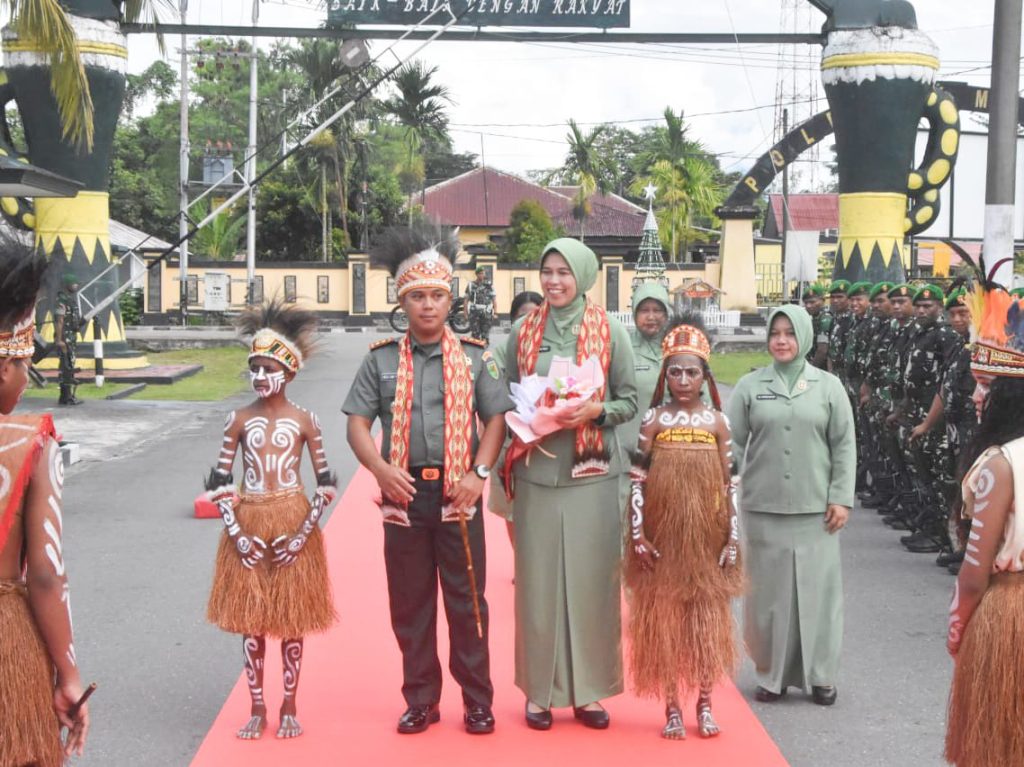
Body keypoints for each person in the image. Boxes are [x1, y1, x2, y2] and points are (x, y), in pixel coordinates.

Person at [344, 224, 511, 736]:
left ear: (449, 299)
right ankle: (421, 700)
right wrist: (381, 470)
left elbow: (496, 421)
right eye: (417, 296)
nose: (428, 305)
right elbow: (357, 424)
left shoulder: (477, 356)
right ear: (402, 302)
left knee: (468, 602)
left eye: (437, 295)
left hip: (458, 493)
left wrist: (479, 474)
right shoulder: (380, 360)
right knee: (410, 604)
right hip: (405, 494)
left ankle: (477, 701)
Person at [503, 237, 637, 730]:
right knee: (537, 585)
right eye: (547, 272)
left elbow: (629, 401)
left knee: (592, 584)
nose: (554, 281)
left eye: (563, 272)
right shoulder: (522, 331)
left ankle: (590, 692)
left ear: (582, 276)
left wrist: (597, 410)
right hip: (536, 472)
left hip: (592, 475)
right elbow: (501, 386)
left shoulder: (610, 331)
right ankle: (539, 692)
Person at [206, 300, 336, 741]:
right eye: (254, 369)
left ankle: (290, 705)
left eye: (269, 368)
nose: (260, 377)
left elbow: (325, 486)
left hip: (292, 520)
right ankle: (257, 707)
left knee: (292, 621)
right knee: (252, 623)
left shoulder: (306, 421)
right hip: (248, 522)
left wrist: (301, 537)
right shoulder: (238, 420)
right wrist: (237, 534)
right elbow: (220, 482)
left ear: (290, 371)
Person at [727, 305, 855, 705]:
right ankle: (771, 675)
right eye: (775, 333)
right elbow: (732, 443)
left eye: (789, 333)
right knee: (767, 597)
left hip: (816, 509)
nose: (781, 341)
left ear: (805, 336)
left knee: (819, 595)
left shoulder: (828, 386)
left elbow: (844, 444)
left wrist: (841, 497)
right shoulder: (750, 386)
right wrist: (719, 489)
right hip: (763, 507)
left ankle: (821, 675)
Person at [625, 322, 741, 740]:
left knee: (706, 621)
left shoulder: (718, 422)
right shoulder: (654, 419)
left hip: (707, 538)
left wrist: (732, 538)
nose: (684, 380)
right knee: (666, 622)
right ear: (665, 375)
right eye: (675, 372)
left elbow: (731, 484)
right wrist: (637, 534)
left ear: (705, 376)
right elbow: (637, 480)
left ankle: (705, 705)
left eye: (693, 372)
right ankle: (672, 708)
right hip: (662, 538)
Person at [0, 240, 89, 766]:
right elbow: (46, 575)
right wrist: (69, 675)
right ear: (5, 367)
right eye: (25, 364)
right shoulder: (32, 443)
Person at [945, 284, 1024, 767]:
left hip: (1009, 613)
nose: (975, 396)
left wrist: (958, 628)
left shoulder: (1000, 464)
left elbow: (974, 576)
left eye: (986, 387)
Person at [899, 286, 962, 554]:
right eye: (919, 306)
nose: (922, 311)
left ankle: (943, 534)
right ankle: (933, 527)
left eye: (928, 306)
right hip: (919, 411)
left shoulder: (946, 336)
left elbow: (945, 383)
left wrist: (930, 420)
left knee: (940, 476)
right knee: (923, 469)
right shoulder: (920, 333)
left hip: (937, 417)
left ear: (939, 308)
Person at [486, 290, 543, 548]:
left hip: (547, 444)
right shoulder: (499, 354)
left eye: (535, 315)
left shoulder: (552, 352)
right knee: (512, 510)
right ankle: (520, 560)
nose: (528, 321)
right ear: (512, 321)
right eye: (522, 316)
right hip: (510, 444)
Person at [620, 282, 673, 453]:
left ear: (667, 313)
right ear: (634, 313)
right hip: (630, 448)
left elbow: (704, 399)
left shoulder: (679, 346)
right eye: (644, 310)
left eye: (657, 310)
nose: (651, 317)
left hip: (674, 449)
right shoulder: (622, 348)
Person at [53, 272, 82, 406]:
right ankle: (65, 396)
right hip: (65, 338)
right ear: (67, 285)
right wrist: (59, 340)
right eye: (74, 283)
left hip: (70, 338)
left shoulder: (69, 299)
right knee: (65, 366)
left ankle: (68, 395)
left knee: (69, 365)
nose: (76, 286)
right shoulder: (61, 301)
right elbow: (59, 321)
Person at [802, 283, 833, 369]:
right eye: (806, 303)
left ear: (822, 301)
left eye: (812, 302)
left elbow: (822, 350)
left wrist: (811, 370)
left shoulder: (825, 319)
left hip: (820, 368)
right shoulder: (815, 318)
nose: (808, 306)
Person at [465, 266, 497, 345]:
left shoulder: (489, 285)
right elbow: (466, 300)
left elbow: (494, 299)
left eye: (483, 273)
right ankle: (475, 351)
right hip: (474, 313)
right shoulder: (471, 285)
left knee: (485, 335)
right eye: (480, 273)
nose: (482, 275)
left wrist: (495, 313)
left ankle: (485, 350)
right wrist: (465, 313)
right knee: (475, 335)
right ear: (476, 274)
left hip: (486, 313)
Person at [826, 280, 852, 376]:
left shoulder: (852, 319)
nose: (835, 300)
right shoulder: (834, 318)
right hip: (834, 372)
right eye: (832, 297)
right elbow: (830, 348)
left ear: (849, 298)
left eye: (840, 297)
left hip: (848, 373)